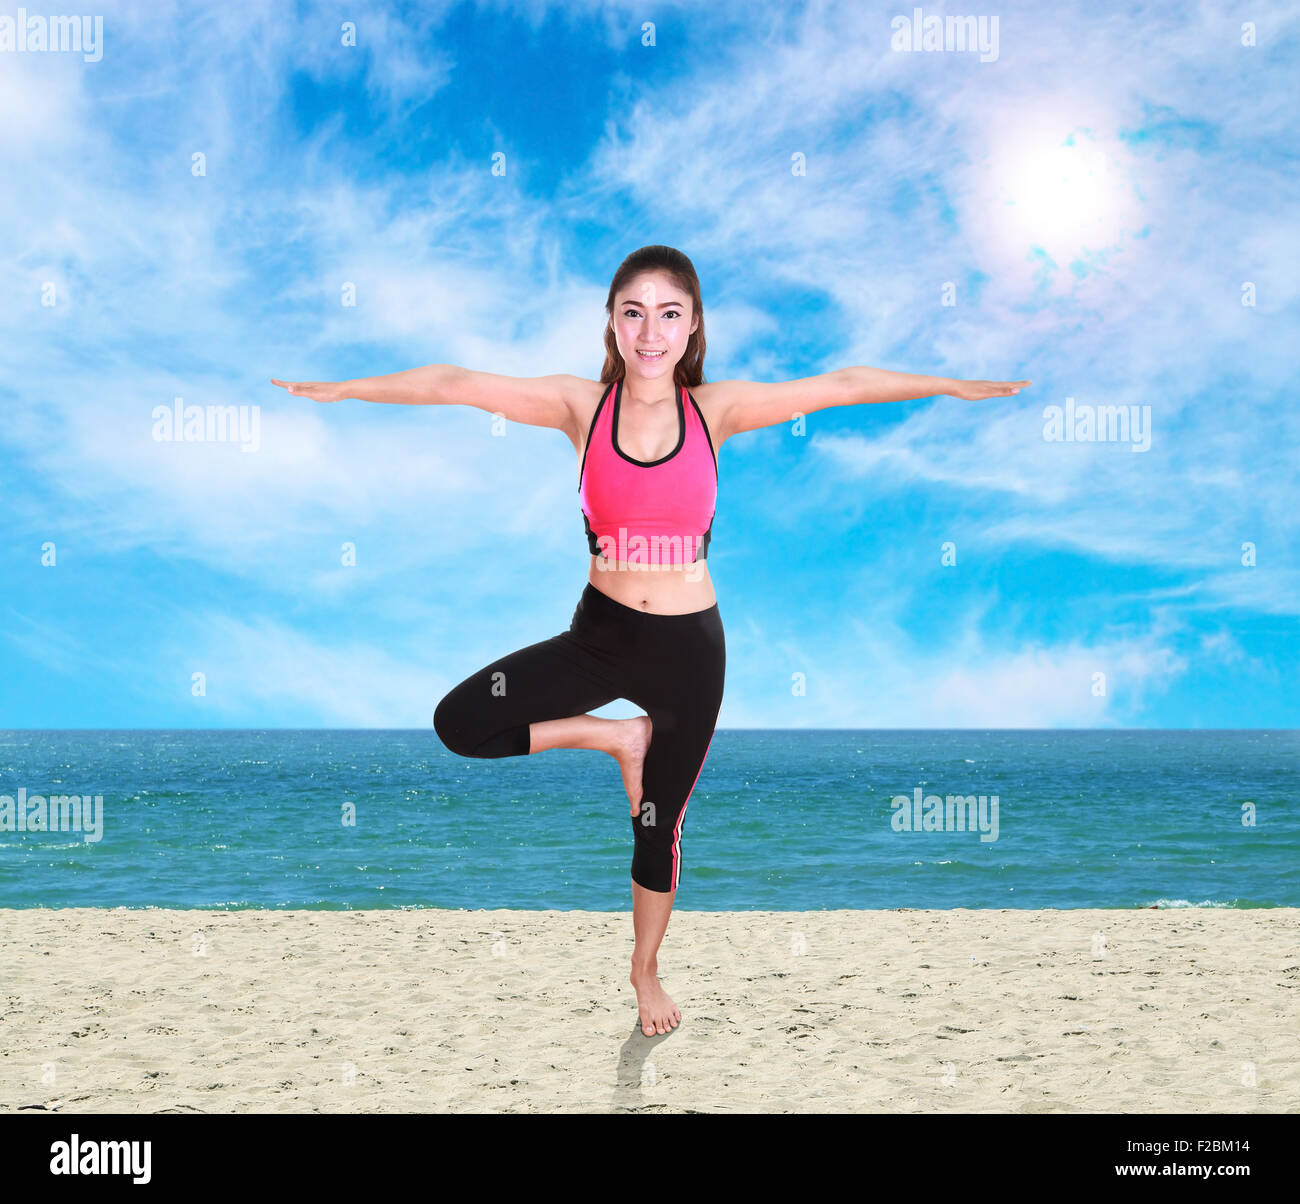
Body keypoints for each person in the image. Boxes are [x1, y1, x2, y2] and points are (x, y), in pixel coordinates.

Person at [272, 244, 1030, 1037]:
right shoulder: (580, 407)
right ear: (611, 320)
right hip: (600, 637)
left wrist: (949, 384)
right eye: (633, 312)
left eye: (669, 314)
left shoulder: (717, 411)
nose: (650, 332)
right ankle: (615, 740)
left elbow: (841, 386)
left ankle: (644, 971)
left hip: (688, 654)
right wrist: (351, 389)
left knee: (655, 828)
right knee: (461, 723)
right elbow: (455, 383)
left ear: (693, 324)